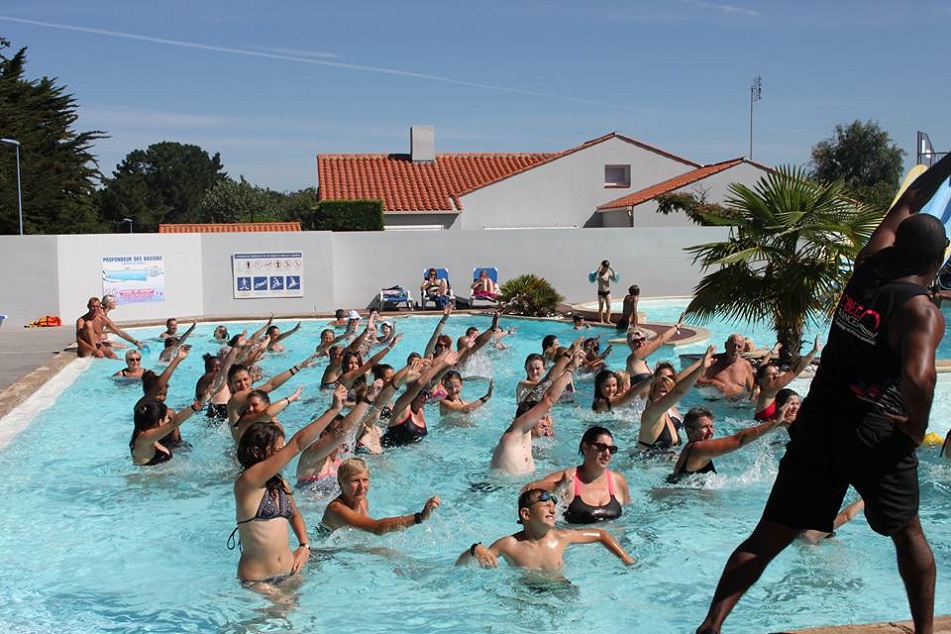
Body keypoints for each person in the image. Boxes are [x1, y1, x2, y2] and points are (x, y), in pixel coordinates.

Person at [695, 153, 951, 634]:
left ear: (900, 247)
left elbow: (911, 197)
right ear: (938, 263)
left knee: (769, 534)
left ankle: (711, 625)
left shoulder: (869, 266)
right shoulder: (921, 312)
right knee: (908, 533)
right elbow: (920, 378)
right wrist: (915, 427)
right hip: (874, 431)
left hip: (819, 421)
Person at [230, 392, 352, 588]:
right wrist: (333, 411)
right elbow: (297, 444)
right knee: (281, 614)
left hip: (290, 572)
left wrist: (304, 546)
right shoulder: (247, 482)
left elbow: (294, 515)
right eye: (278, 450)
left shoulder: (280, 483)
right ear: (256, 451)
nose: (282, 455)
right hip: (258, 580)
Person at [456, 488, 634, 572]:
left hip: (561, 587)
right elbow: (461, 565)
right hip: (525, 593)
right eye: (546, 505)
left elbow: (600, 534)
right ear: (526, 514)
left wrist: (627, 559)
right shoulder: (509, 544)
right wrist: (474, 549)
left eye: (553, 507)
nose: (552, 510)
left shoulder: (561, 536)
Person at [491, 346, 581, 474]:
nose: (546, 422)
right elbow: (548, 396)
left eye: (538, 368)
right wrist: (570, 368)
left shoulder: (525, 443)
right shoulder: (514, 436)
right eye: (542, 417)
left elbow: (548, 384)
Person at [524, 426, 631, 524]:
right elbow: (527, 490)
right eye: (602, 447)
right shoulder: (568, 479)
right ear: (585, 447)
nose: (607, 454)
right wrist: (559, 486)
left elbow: (629, 515)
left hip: (613, 541)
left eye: (612, 449)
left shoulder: (618, 481)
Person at [320, 457, 440, 533]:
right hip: (326, 556)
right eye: (355, 481)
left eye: (365, 480)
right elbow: (375, 527)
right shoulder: (336, 508)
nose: (362, 486)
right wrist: (419, 517)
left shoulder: (362, 501)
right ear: (341, 483)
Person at [667, 407, 786, 483]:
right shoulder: (698, 448)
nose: (710, 431)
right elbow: (740, 439)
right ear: (689, 431)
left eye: (711, 426)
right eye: (704, 427)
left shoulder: (691, 448)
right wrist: (774, 422)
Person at [638, 346, 714, 454]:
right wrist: (701, 369)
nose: (668, 394)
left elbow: (680, 383)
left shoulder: (668, 409)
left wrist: (701, 363)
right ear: (652, 392)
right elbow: (678, 392)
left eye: (670, 391)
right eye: (664, 391)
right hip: (648, 468)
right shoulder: (651, 413)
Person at [751, 337, 821, 421]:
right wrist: (813, 351)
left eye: (777, 373)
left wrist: (773, 351)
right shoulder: (768, 392)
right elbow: (794, 372)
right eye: (771, 374)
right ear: (761, 380)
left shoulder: (766, 390)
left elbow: (762, 368)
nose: (776, 376)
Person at [130, 397, 204, 466]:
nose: (168, 421)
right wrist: (194, 408)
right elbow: (174, 423)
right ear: (160, 421)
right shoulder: (144, 439)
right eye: (167, 418)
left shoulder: (148, 439)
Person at [625, 314, 685, 383]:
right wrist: (677, 327)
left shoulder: (639, 362)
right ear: (629, 344)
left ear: (646, 340)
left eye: (642, 339)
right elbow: (661, 340)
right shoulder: (635, 357)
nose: (640, 342)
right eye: (635, 341)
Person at [695, 333, 755, 400]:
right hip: (716, 402)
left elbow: (752, 391)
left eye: (739, 346)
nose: (736, 349)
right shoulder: (714, 361)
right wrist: (713, 382)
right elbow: (695, 381)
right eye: (733, 345)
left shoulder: (745, 365)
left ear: (743, 349)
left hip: (737, 404)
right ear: (726, 345)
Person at [592, 260, 617, 324]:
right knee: (601, 307)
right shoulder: (599, 274)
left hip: (607, 292)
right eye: (605, 268)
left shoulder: (608, 273)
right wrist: (598, 269)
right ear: (602, 267)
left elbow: (614, 279)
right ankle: (601, 320)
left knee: (609, 306)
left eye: (607, 268)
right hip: (600, 292)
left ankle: (607, 320)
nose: (606, 269)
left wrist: (612, 270)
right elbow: (595, 278)